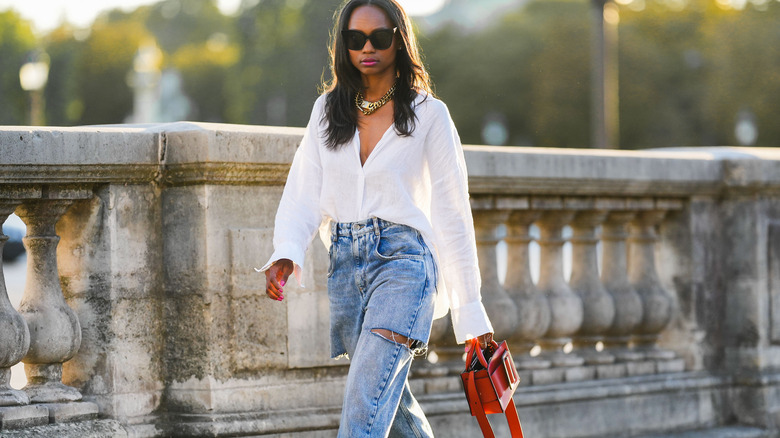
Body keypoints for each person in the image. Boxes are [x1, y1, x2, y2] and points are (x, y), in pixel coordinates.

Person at [260, 0, 494, 436]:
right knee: (393, 404)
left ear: (399, 42)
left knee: (363, 403)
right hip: (347, 266)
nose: (366, 47)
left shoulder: (429, 115)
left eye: (379, 37)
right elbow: (303, 193)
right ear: (343, 45)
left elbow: (452, 215)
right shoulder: (327, 111)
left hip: (405, 267)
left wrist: (471, 314)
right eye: (355, 38)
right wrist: (287, 252)